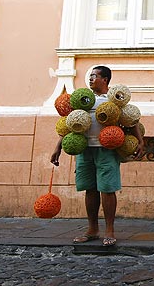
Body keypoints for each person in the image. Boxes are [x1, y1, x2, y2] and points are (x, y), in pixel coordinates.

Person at [50, 66, 144, 247]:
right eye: (90, 76)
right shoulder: (84, 100)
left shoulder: (114, 99)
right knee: (90, 189)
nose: (91, 79)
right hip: (86, 150)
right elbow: (71, 123)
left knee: (107, 189)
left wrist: (140, 142)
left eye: (94, 76)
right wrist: (58, 147)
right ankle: (92, 229)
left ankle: (109, 230)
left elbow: (131, 120)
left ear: (105, 80)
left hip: (107, 150)